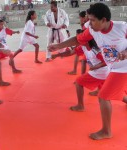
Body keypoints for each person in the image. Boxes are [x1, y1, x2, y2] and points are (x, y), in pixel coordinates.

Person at [48, 3, 127, 140]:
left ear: (103, 20)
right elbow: (77, 40)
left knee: (104, 96)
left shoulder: (122, 27)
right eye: (88, 19)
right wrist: (58, 46)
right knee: (113, 93)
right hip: (113, 67)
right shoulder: (93, 30)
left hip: (123, 67)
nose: (89, 23)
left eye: (92, 20)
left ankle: (106, 131)